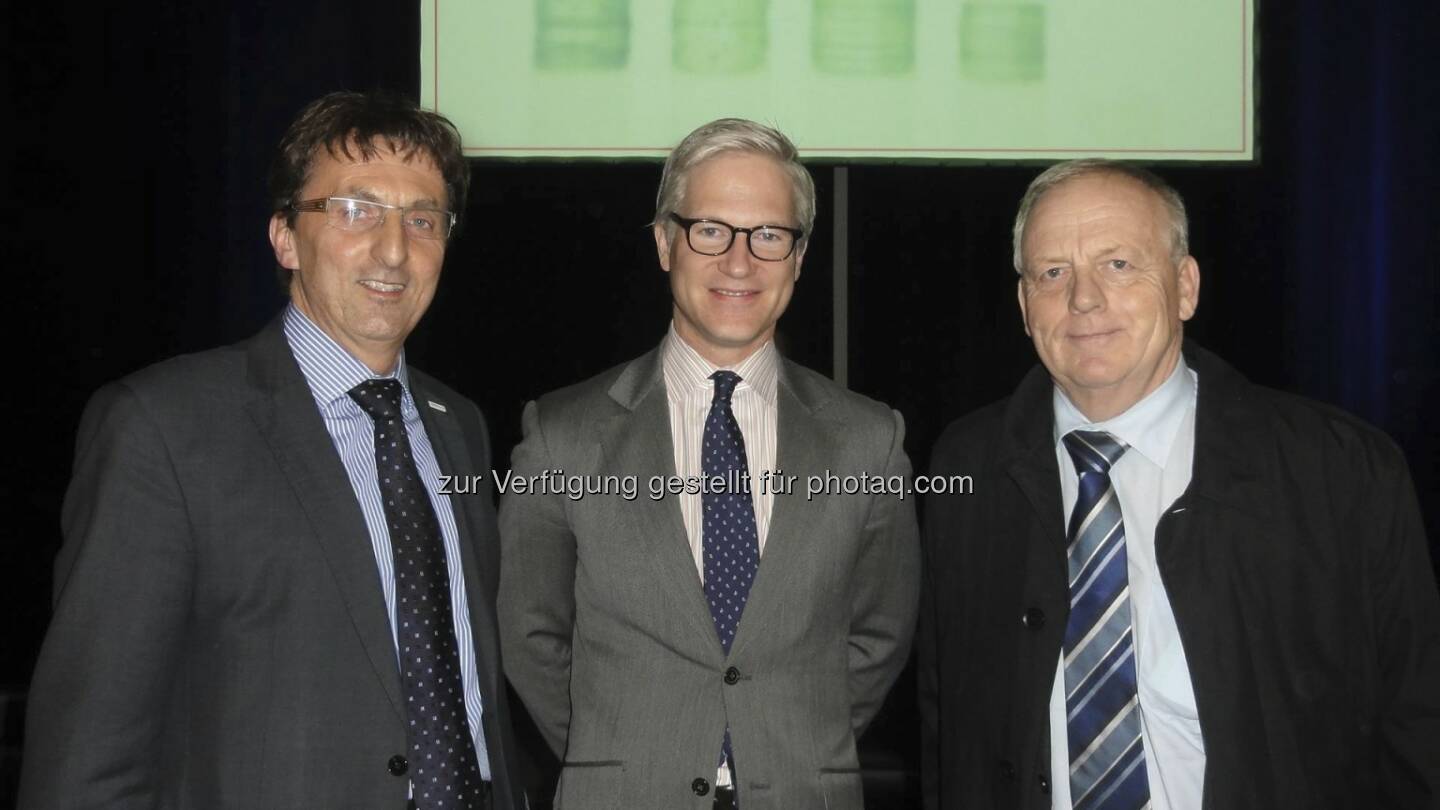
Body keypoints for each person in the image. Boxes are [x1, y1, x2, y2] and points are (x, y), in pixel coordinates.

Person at [19, 91, 523, 809]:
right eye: (355, 210)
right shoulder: (163, 427)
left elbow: (471, 693)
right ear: (285, 236)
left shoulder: (459, 426)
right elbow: (87, 755)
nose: (393, 248)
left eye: (423, 219)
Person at [919, 158, 1440, 809]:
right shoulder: (966, 469)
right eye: (1052, 273)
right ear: (1025, 306)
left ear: (1185, 286)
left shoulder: (1341, 473)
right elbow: (947, 729)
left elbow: (1418, 726)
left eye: (1118, 264)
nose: (1083, 299)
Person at [497, 118, 920, 809]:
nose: (740, 261)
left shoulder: (869, 441)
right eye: (711, 230)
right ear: (666, 242)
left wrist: (787, 742)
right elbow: (529, 633)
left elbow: (879, 635)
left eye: (768, 235)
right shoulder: (561, 436)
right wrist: (617, 753)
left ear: (799, 256)